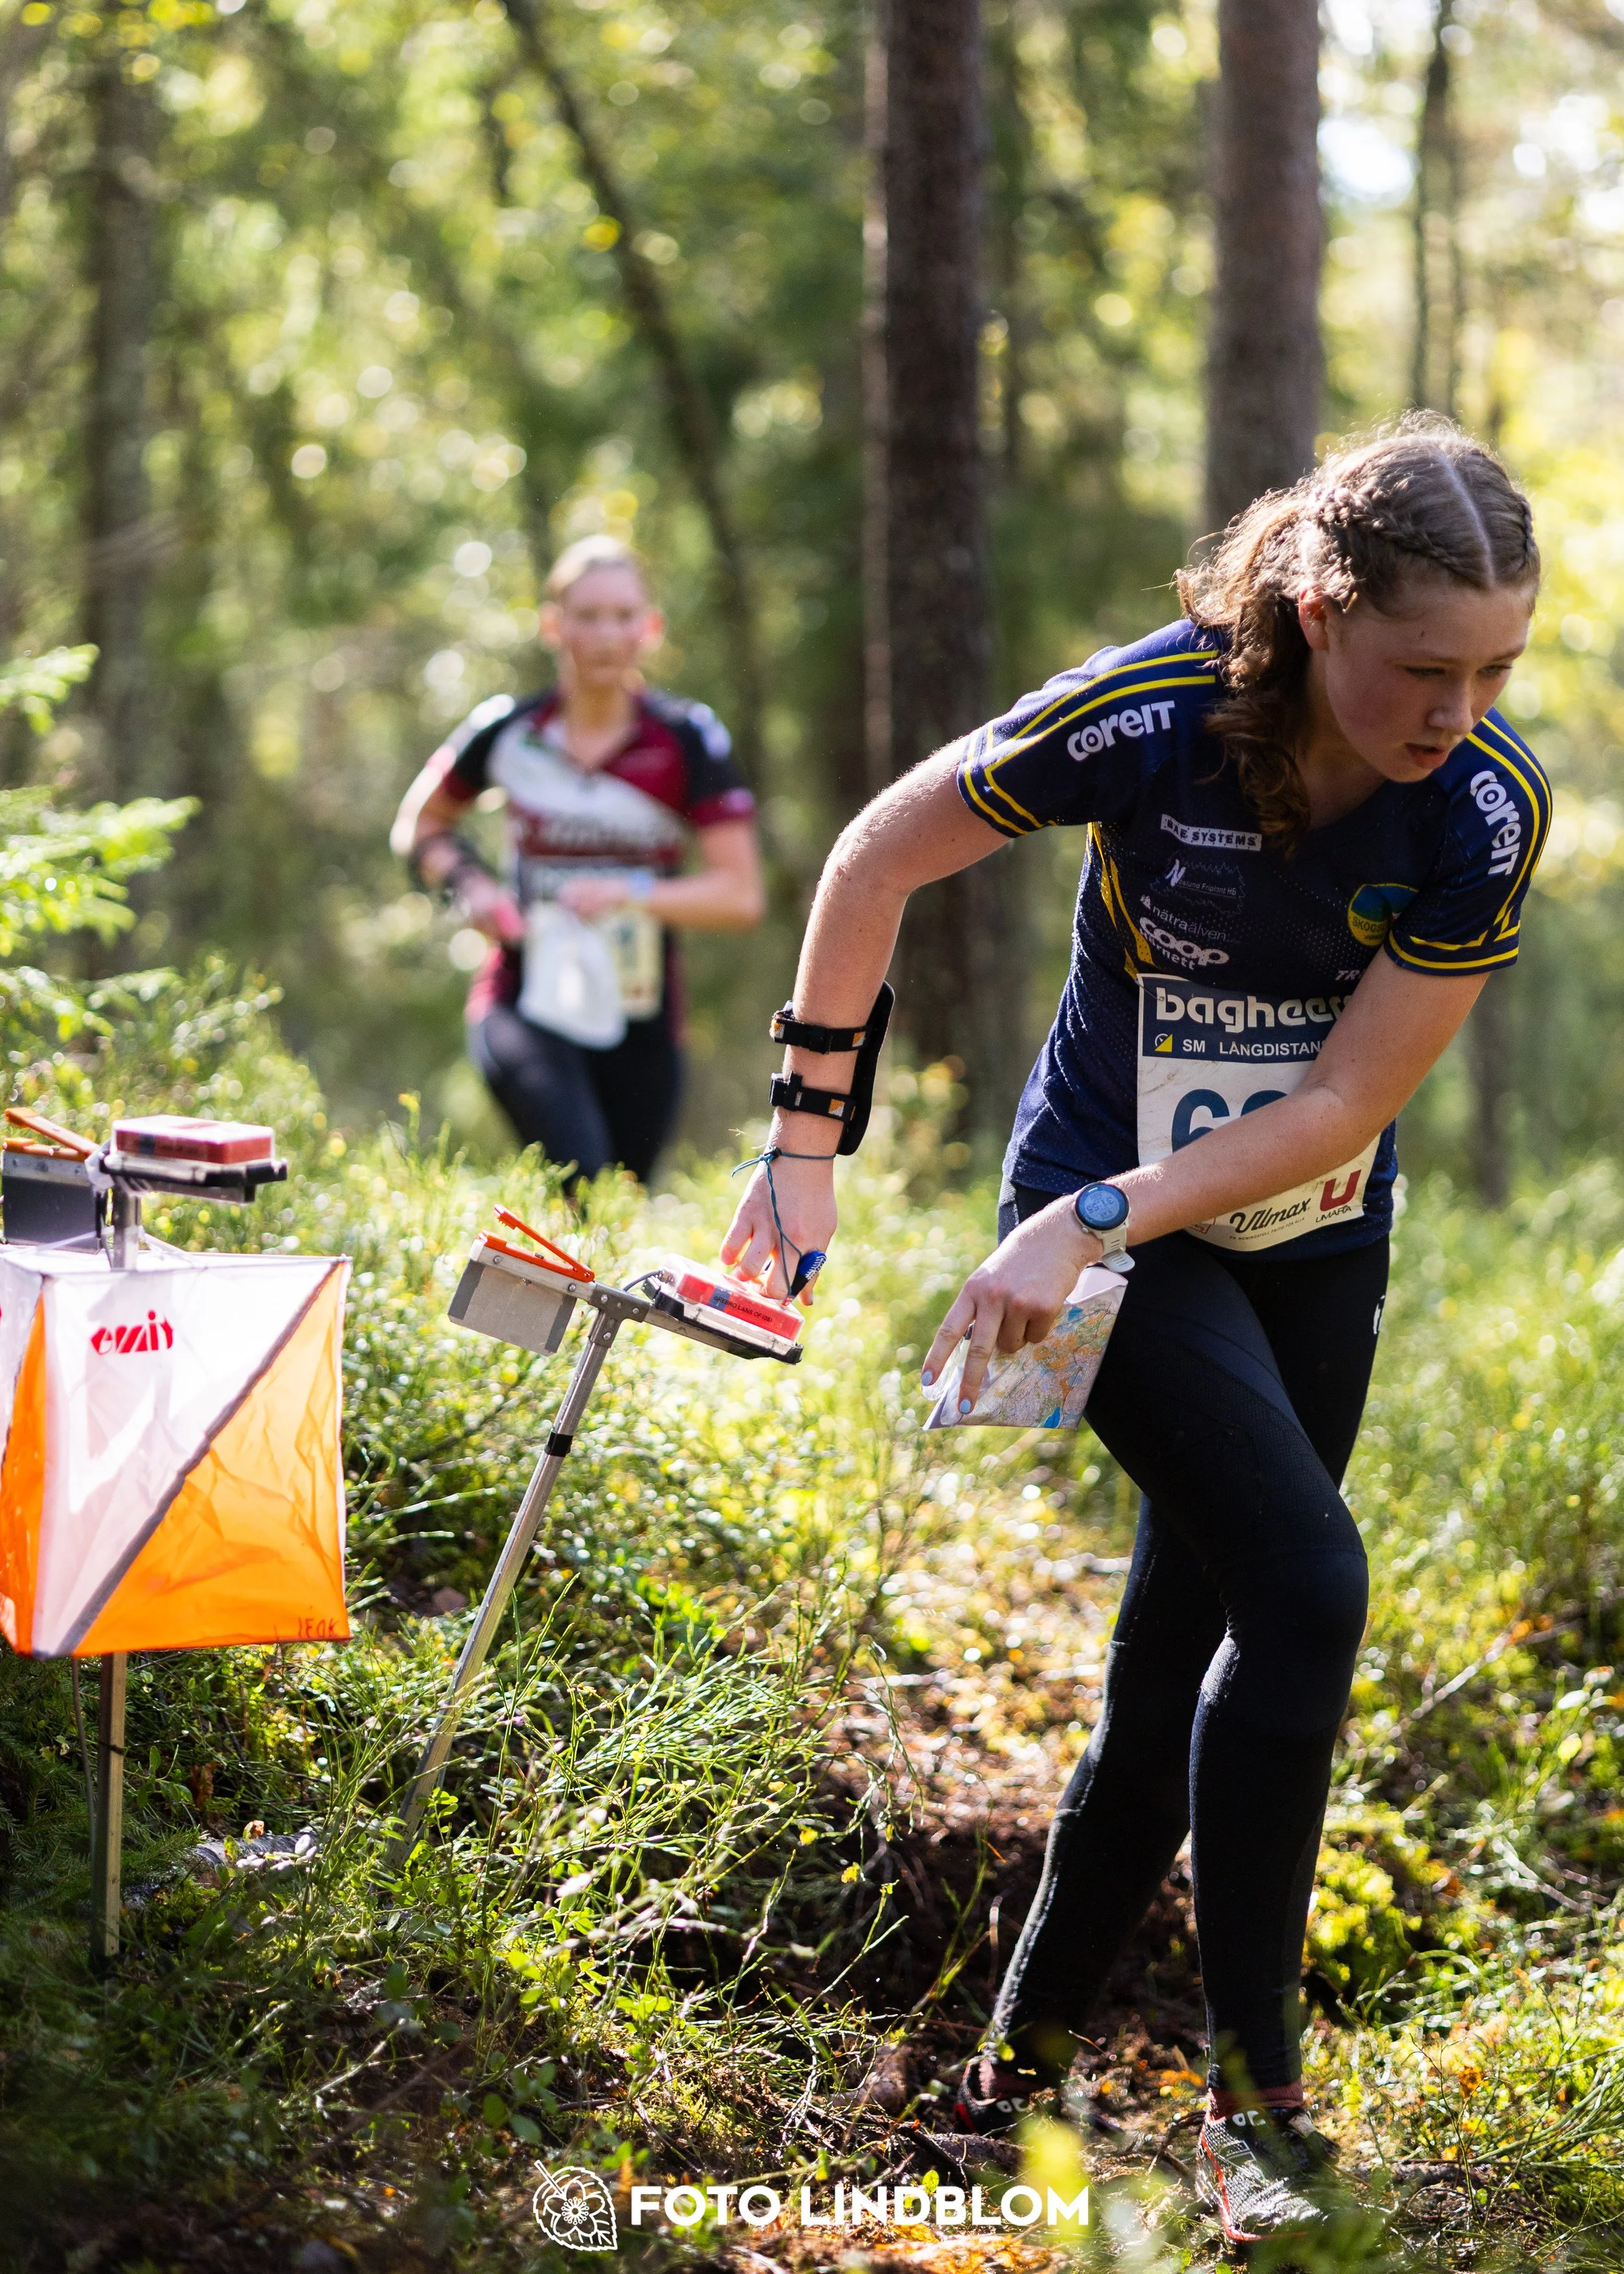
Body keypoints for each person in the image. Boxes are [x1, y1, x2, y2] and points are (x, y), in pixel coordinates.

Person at [722, 419, 1547, 2242]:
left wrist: (1098, 1212)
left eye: (1497, 667)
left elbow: (1341, 1105)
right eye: (1424, 667)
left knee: (1181, 1654)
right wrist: (806, 1148)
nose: (1457, 707)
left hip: (1298, 1233)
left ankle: (1005, 2076)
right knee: (1309, 1586)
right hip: (1103, 1222)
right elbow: (872, 860)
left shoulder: (1483, 807)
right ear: (1320, 611)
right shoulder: (1152, 710)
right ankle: (1264, 2105)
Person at [392, 535, 764, 1186]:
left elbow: (739, 895)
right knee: (582, 1180)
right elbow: (420, 825)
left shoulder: (684, 737)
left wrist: (626, 891)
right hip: (523, 997)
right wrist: (468, 884)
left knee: (615, 1207)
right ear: (552, 625)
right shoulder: (507, 729)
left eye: (623, 616)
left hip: (642, 1015)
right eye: (587, 615)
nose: (605, 634)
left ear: (650, 628)